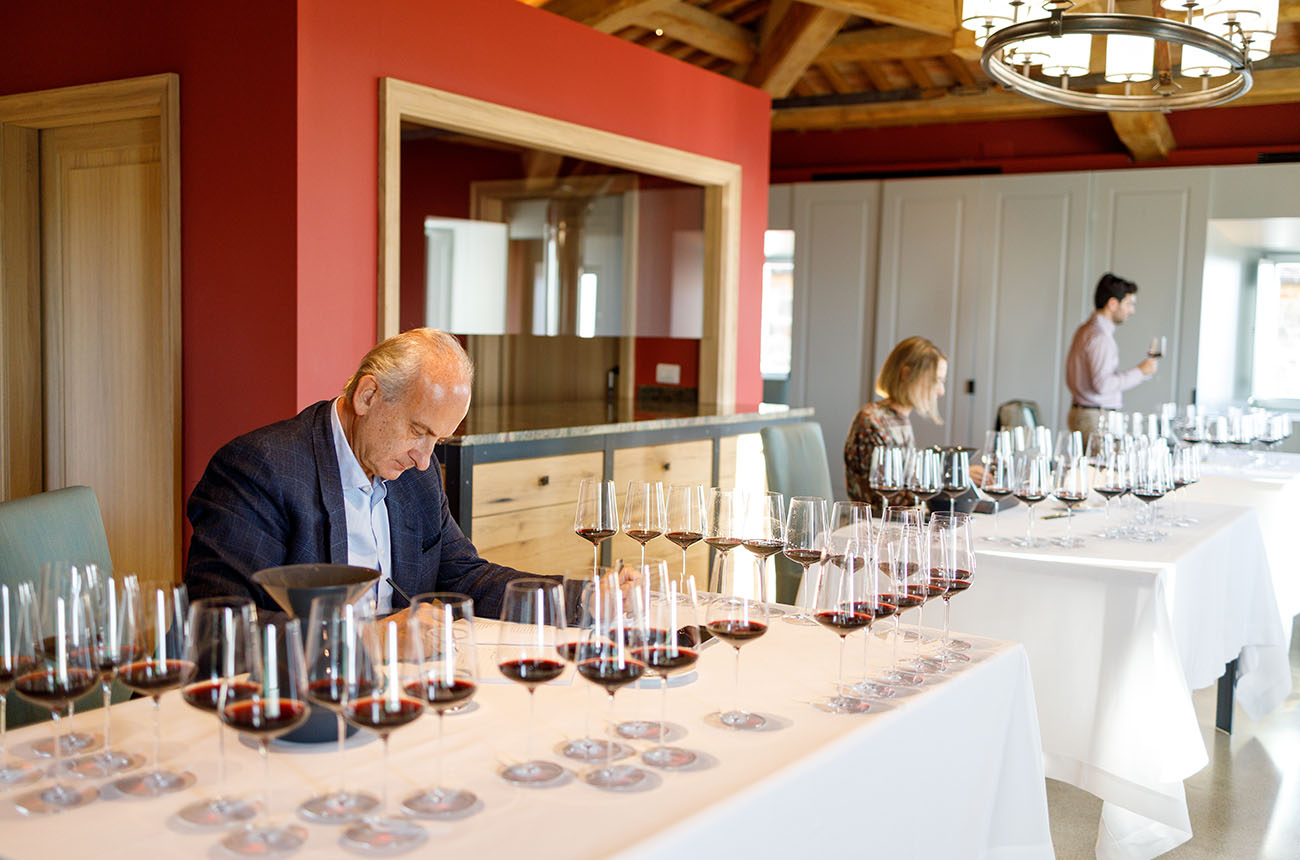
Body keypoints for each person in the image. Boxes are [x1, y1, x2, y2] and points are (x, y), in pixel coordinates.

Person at [184, 328, 531, 619]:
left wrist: (563, 598)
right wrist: (369, 640)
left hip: (398, 677)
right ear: (368, 396)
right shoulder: (261, 468)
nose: (424, 460)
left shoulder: (416, 477)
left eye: (437, 440)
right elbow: (220, 625)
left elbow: (466, 576)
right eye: (417, 431)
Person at [844, 336, 948, 511]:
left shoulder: (900, 419)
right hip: (873, 523)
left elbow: (907, 484)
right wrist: (949, 480)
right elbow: (890, 499)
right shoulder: (872, 420)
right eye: (935, 380)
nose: (940, 391)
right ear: (906, 374)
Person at [1065, 273, 1158, 440]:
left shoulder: (1085, 329)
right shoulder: (1099, 336)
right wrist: (1141, 371)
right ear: (1113, 303)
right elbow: (1103, 385)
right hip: (1095, 419)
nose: (1132, 311)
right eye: (1128, 304)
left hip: (1086, 414)